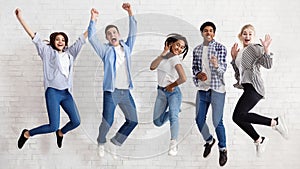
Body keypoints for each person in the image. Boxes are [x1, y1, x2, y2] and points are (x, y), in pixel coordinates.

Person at [15, 8, 87, 149]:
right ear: (53, 41)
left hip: (66, 93)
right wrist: (20, 18)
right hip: (53, 92)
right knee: (53, 126)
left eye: (63, 39)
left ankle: (61, 133)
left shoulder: (70, 53)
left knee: (76, 121)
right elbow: (33, 37)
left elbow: (82, 39)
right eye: (57, 39)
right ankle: (27, 134)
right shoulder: (47, 52)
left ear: (65, 43)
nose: (60, 41)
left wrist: (93, 20)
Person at [87, 3, 138, 158]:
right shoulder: (105, 50)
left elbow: (134, 32)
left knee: (133, 120)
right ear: (107, 38)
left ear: (119, 34)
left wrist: (130, 13)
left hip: (125, 91)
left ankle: (116, 142)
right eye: (109, 33)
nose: (112, 34)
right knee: (107, 121)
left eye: (114, 32)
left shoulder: (127, 48)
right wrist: (93, 20)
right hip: (111, 91)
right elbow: (91, 37)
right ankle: (101, 141)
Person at [230, 24, 288, 157]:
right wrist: (234, 59)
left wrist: (266, 49)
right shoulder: (239, 53)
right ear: (241, 35)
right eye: (245, 33)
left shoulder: (255, 48)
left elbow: (268, 65)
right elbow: (239, 75)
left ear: (253, 36)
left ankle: (274, 123)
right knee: (238, 117)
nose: (247, 36)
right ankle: (259, 139)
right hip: (247, 87)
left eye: (250, 34)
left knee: (238, 116)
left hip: (255, 87)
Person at [192, 21, 228, 166]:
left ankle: (223, 148)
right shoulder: (197, 50)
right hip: (202, 89)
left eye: (211, 30)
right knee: (199, 120)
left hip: (217, 89)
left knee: (217, 122)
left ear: (214, 33)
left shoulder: (220, 48)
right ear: (202, 33)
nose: (208, 33)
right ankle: (209, 140)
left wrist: (216, 65)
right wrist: (198, 74)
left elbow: (223, 69)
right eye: (206, 30)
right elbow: (194, 68)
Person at [150, 33, 188, 156]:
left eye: (182, 47)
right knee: (157, 121)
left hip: (173, 93)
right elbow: (152, 67)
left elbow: (183, 78)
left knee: (173, 117)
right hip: (161, 92)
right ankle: (178, 109)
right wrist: (163, 53)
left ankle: (173, 143)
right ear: (171, 44)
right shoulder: (164, 58)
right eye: (178, 45)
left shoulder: (175, 59)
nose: (179, 49)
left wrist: (171, 86)